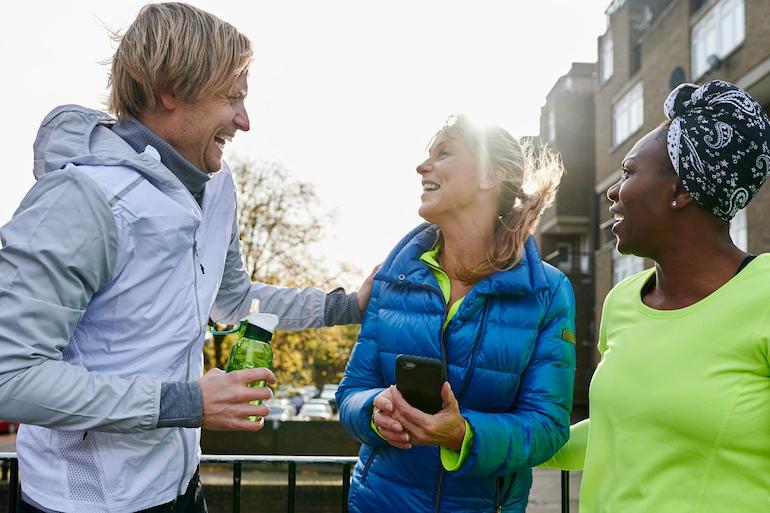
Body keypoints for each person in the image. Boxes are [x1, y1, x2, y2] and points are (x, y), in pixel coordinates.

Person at [0, 3, 367, 512]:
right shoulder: (80, 199)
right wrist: (187, 403)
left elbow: (235, 303)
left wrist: (351, 304)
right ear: (170, 91)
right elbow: (10, 377)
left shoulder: (217, 186)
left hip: (181, 490)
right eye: (231, 98)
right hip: (84, 503)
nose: (244, 120)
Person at [540, 80, 770, 513]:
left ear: (681, 191)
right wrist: (483, 433)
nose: (613, 191)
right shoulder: (622, 299)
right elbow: (615, 431)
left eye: (628, 172)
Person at [336, 114, 577, 512]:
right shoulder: (391, 279)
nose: (422, 167)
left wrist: (464, 434)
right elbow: (349, 394)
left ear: (492, 175)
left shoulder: (549, 292)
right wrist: (373, 410)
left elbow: (549, 426)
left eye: (443, 153)